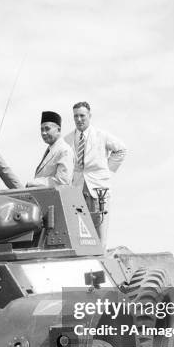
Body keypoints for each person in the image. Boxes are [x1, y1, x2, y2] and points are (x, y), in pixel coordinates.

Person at [64, 101, 127, 248]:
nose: (79, 119)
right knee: (80, 234)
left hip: (98, 189)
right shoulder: (67, 140)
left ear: (89, 116)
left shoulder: (101, 135)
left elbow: (122, 149)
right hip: (77, 190)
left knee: (100, 234)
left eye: (82, 115)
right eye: (75, 116)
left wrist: (107, 171)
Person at [26, 111, 74, 188]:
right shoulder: (51, 150)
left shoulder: (64, 150)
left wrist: (34, 183)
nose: (44, 133)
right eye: (42, 129)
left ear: (58, 130)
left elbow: (62, 181)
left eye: (47, 129)